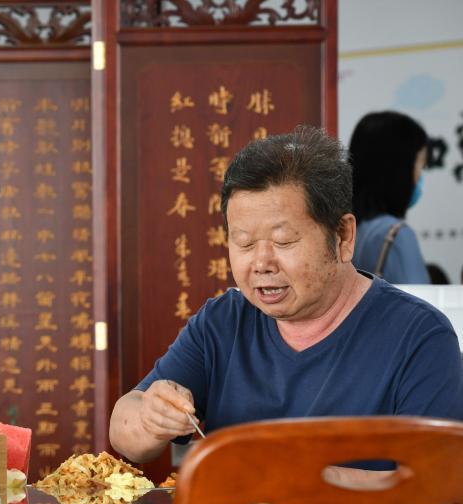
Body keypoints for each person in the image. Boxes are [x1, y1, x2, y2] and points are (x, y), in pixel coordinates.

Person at [109, 126, 463, 470]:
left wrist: (283, 475)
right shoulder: (222, 323)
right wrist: (150, 417)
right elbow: (124, 432)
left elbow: (433, 487)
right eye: (244, 243)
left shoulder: (419, 336)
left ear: (343, 236)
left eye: (284, 241)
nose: (261, 263)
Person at [349, 111, 430, 283]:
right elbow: (420, 300)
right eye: (420, 166)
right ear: (399, 169)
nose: (419, 177)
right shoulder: (396, 236)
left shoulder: (343, 232)